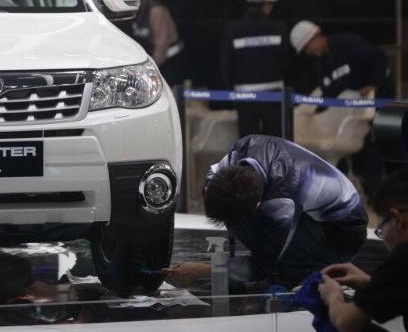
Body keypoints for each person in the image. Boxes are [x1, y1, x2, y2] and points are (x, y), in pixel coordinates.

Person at [164, 135, 368, 288]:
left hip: (342, 235)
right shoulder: (239, 152)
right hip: (308, 211)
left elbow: (262, 264)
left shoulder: (282, 203)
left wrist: (206, 271)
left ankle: (300, 270)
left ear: (258, 204)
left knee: (270, 268)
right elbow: (212, 179)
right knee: (240, 222)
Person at [290, 20, 393, 196]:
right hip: (352, 113)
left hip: (379, 98)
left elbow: (379, 59)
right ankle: (364, 193)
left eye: (309, 47)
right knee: (360, 153)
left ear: (316, 36)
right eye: (306, 51)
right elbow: (329, 93)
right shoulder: (321, 64)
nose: (310, 53)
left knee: (380, 148)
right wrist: (308, 109)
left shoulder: (348, 43)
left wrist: (373, 85)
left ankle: (386, 195)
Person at [318, 170, 408, 331]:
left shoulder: (404, 256)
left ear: (396, 219)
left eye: (380, 230)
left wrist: (333, 296)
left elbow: (345, 322)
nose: (382, 236)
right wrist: (371, 283)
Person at [220, 0, 289, 137]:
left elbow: (226, 68)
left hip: (244, 97)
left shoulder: (232, 31)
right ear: (267, 3)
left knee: (249, 145)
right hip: (274, 96)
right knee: (274, 144)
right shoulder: (279, 29)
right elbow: (285, 64)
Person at [130, 0, 186, 86]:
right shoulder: (134, 13)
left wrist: (148, 71)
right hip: (151, 57)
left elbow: (161, 48)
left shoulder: (157, 11)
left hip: (169, 59)